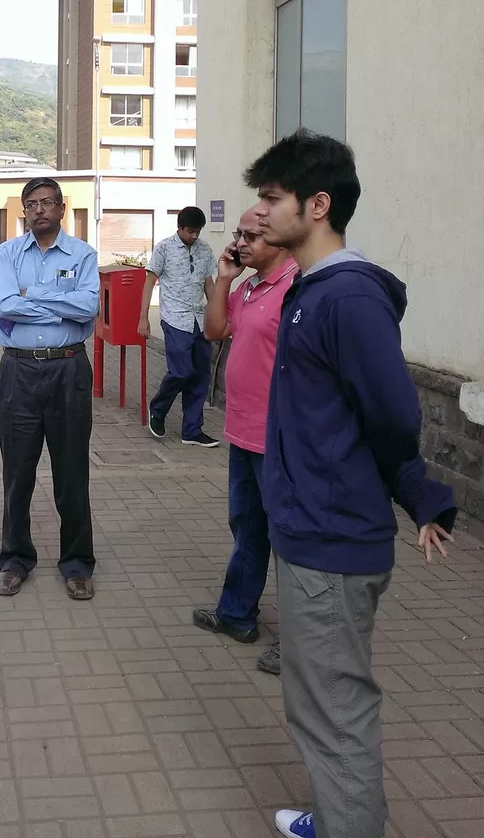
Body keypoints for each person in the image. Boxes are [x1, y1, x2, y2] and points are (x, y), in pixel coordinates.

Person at [244, 130, 456, 838]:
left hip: (333, 542)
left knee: (335, 707)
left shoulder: (347, 299)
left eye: (272, 198)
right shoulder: (311, 291)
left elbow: (392, 414)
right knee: (317, 700)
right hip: (312, 531)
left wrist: (419, 491)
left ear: (318, 205)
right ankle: (338, 816)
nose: (260, 212)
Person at [195, 207, 298, 675]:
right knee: (248, 526)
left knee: (292, 540)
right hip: (244, 431)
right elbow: (215, 330)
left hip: (282, 438)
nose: (241, 243)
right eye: (239, 234)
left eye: (252, 236)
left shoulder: (297, 287)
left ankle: (302, 643)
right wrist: (224, 279)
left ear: (280, 238)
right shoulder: (252, 286)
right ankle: (237, 614)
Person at [0, 177, 100, 600]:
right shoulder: (7, 253)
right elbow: (3, 306)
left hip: (69, 371)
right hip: (18, 372)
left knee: (71, 472)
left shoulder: (83, 255)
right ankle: (15, 559)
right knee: (17, 471)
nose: (39, 210)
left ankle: (77, 563)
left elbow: (87, 306)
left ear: (61, 207)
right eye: (31, 204)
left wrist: (31, 294)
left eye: (46, 203)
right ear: (24, 212)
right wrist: (60, 299)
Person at [138, 206, 219, 447]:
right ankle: (158, 410)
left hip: (199, 320)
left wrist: (217, 314)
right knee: (182, 371)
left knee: (201, 375)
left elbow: (209, 285)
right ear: (180, 228)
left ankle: (192, 430)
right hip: (175, 318)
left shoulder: (204, 249)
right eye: (191, 231)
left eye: (198, 231)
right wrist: (143, 318)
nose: (195, 236)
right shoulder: (164, 248)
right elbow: (149, 282)